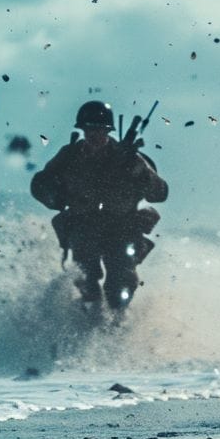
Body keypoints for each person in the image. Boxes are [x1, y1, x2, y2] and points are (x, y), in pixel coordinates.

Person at [30, 100, 168, 310]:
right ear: (83, 130)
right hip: (83, 228)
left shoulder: (130, 159)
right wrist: (54, 194)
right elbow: (40, 185)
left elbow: (160, 193)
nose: (94, 135)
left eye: (100, 130)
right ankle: (88, 321)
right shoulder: (69, 156)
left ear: (108, 131)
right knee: (86, 283)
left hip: (122, 229)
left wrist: (140, 170)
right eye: (89, 129)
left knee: (120, 287)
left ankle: (117, 326)